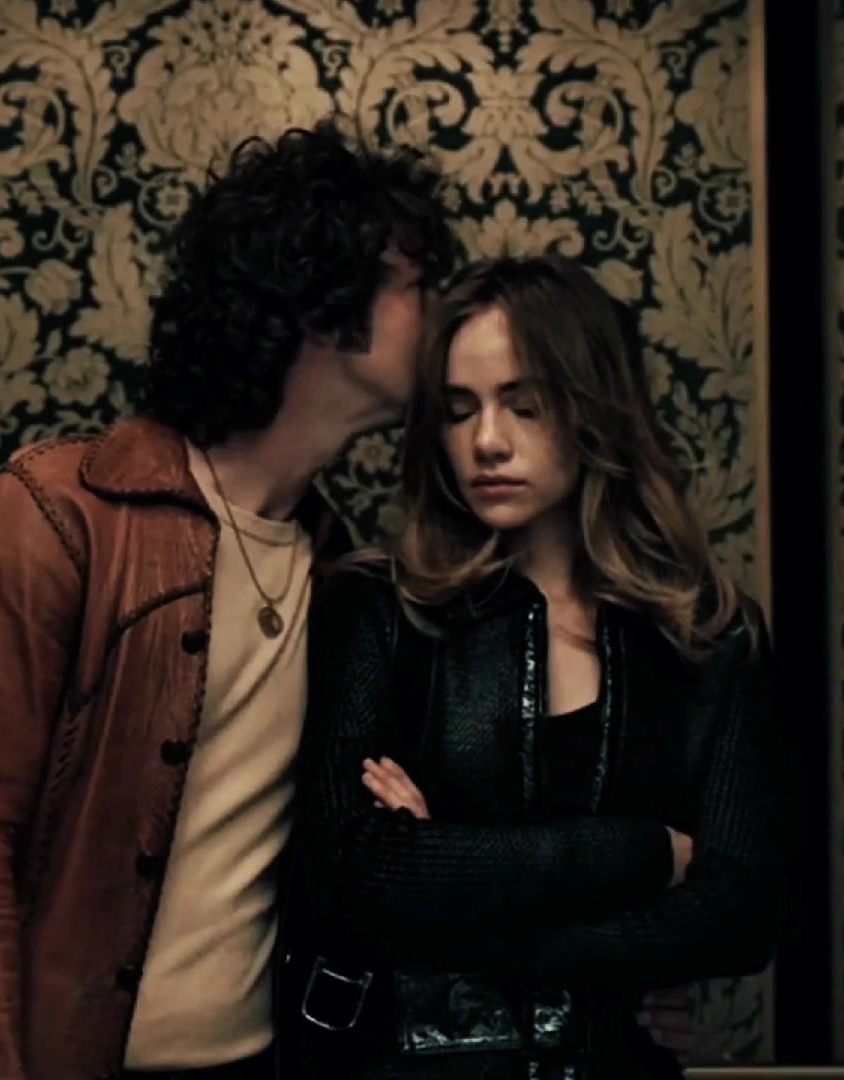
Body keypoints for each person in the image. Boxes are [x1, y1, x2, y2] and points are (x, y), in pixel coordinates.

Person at [0, 121, 458, 1080]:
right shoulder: (58, 516)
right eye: (419, 284)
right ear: (322, 303)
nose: (442, 315)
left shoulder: (342, 569)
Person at [286, 255, 784, 1079]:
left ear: (594, 407)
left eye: (525, 405)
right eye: (459, 410)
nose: (486, 441)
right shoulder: (377, 608)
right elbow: (355, 882)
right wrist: (644, 855)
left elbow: (741, 919)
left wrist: (448, 882)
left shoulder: (707, 635)